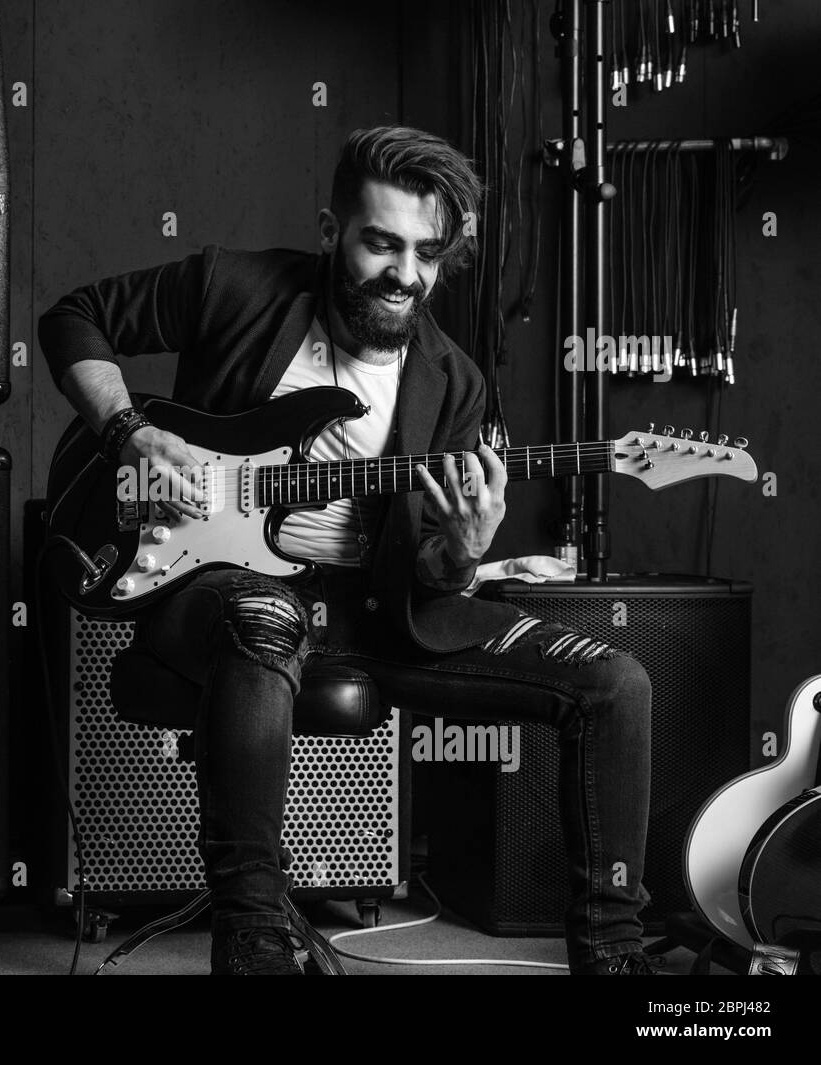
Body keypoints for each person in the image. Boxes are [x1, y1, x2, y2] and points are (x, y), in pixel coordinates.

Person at [38, 126, 655, 976]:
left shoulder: (456, 383)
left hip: (375, 617)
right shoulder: (234, 286)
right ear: (333, 233)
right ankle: (254, 939)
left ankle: (618, 963)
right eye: (382, 242)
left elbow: (436, 573)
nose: (407, 273)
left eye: (428, 253)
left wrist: (462, 552)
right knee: (264, 611)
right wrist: (130, 431)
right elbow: (74, 317)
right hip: (215, 590)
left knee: (616, 684)